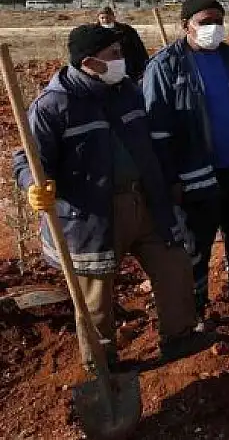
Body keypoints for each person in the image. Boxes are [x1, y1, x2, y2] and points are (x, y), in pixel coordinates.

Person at [14, 25, 207, 368]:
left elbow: (149, 144)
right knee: (95, 294)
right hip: (92, 215)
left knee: (173, 265)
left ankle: (179, 336)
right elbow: (27, 159)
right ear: (89, 62)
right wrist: (33, 185)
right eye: (114, 55)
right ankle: (102, 363)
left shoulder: (126, 91)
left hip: (145, 201)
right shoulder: (53, 105)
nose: (122, 60)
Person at [142, 0, 229, 320]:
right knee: (195, 246)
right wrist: (169, 178)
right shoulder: (165, 66)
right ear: (186, 25)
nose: (213, 28)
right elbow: (157, 131)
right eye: (205, 22)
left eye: (218, 21)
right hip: (195, 175)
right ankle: (194, 312)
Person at [96, 6, 150, 80]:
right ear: (98, 19)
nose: (105, 20)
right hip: (105, 70)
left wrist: (144, 65)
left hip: (128, 69)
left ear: (113, 17)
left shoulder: (126, 30)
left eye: (107, 17)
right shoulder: (94, 33)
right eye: (102, 18)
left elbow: (139, 48)